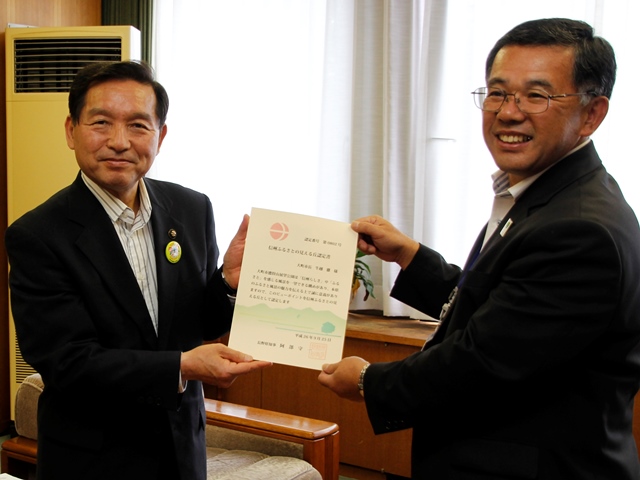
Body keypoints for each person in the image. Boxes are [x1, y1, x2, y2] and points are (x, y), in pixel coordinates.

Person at [318, 18, 640, 479]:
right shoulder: (549, 195)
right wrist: (410, 256)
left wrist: (370, 382)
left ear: (592, 114)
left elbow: (483, 361)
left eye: (537, 95)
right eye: (498, 92)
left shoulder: (578, 228)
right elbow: (499, 308)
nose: (509, 112)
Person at [5, 61, 271, 480]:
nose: (119, 141)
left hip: (182, 447)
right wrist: (181, 367)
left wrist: (227, 283)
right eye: (101, 123)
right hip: (94, 458)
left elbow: (201, 321)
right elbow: (67, 362)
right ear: (71, 131)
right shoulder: (38, 235)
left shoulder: (191, 208)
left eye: (138, 126)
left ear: (160, 136)